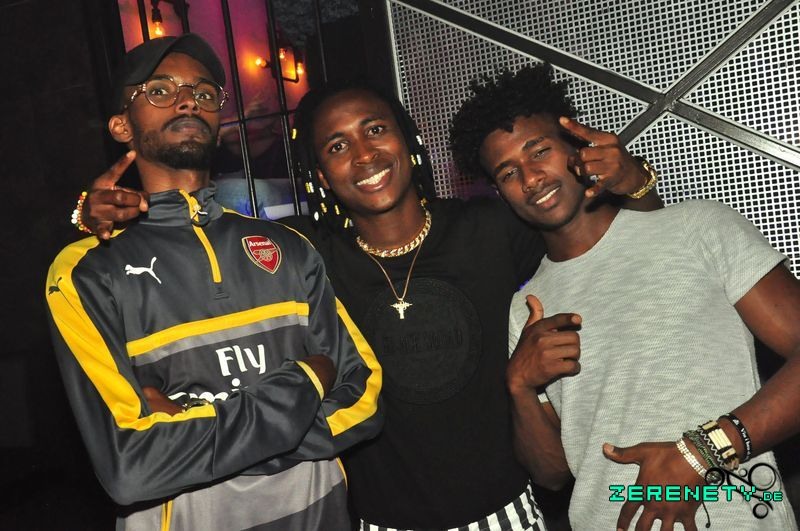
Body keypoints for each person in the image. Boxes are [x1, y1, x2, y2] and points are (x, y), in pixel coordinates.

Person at [79, 73, 659, 528]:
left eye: (376, 130)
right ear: (320, 173)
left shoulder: (487, 228)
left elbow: (619, 253)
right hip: (377, 522)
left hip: (505, 512)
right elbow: (196, 254)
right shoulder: (300, 254)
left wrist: (634, 182)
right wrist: (93, 220)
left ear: (408, 139)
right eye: (338, 146)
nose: (363, 155)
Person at [45, 34, 382, 531]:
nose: (188, 100)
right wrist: (306, 380)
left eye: (204, 93)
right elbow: (131, 467)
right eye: (161, 90)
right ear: (122, 125)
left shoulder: (287, 247)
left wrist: (194, 436)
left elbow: (364, 398)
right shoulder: (87, 272)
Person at [449, 63, 800, 530]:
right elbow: (552, 474)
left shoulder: (699, 228)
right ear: (499, 192)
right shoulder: (526, 309)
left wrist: (704, 451)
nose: (530, 178)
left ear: (578, 147)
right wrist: (520, 387)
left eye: (540, 152)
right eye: (509, 172)